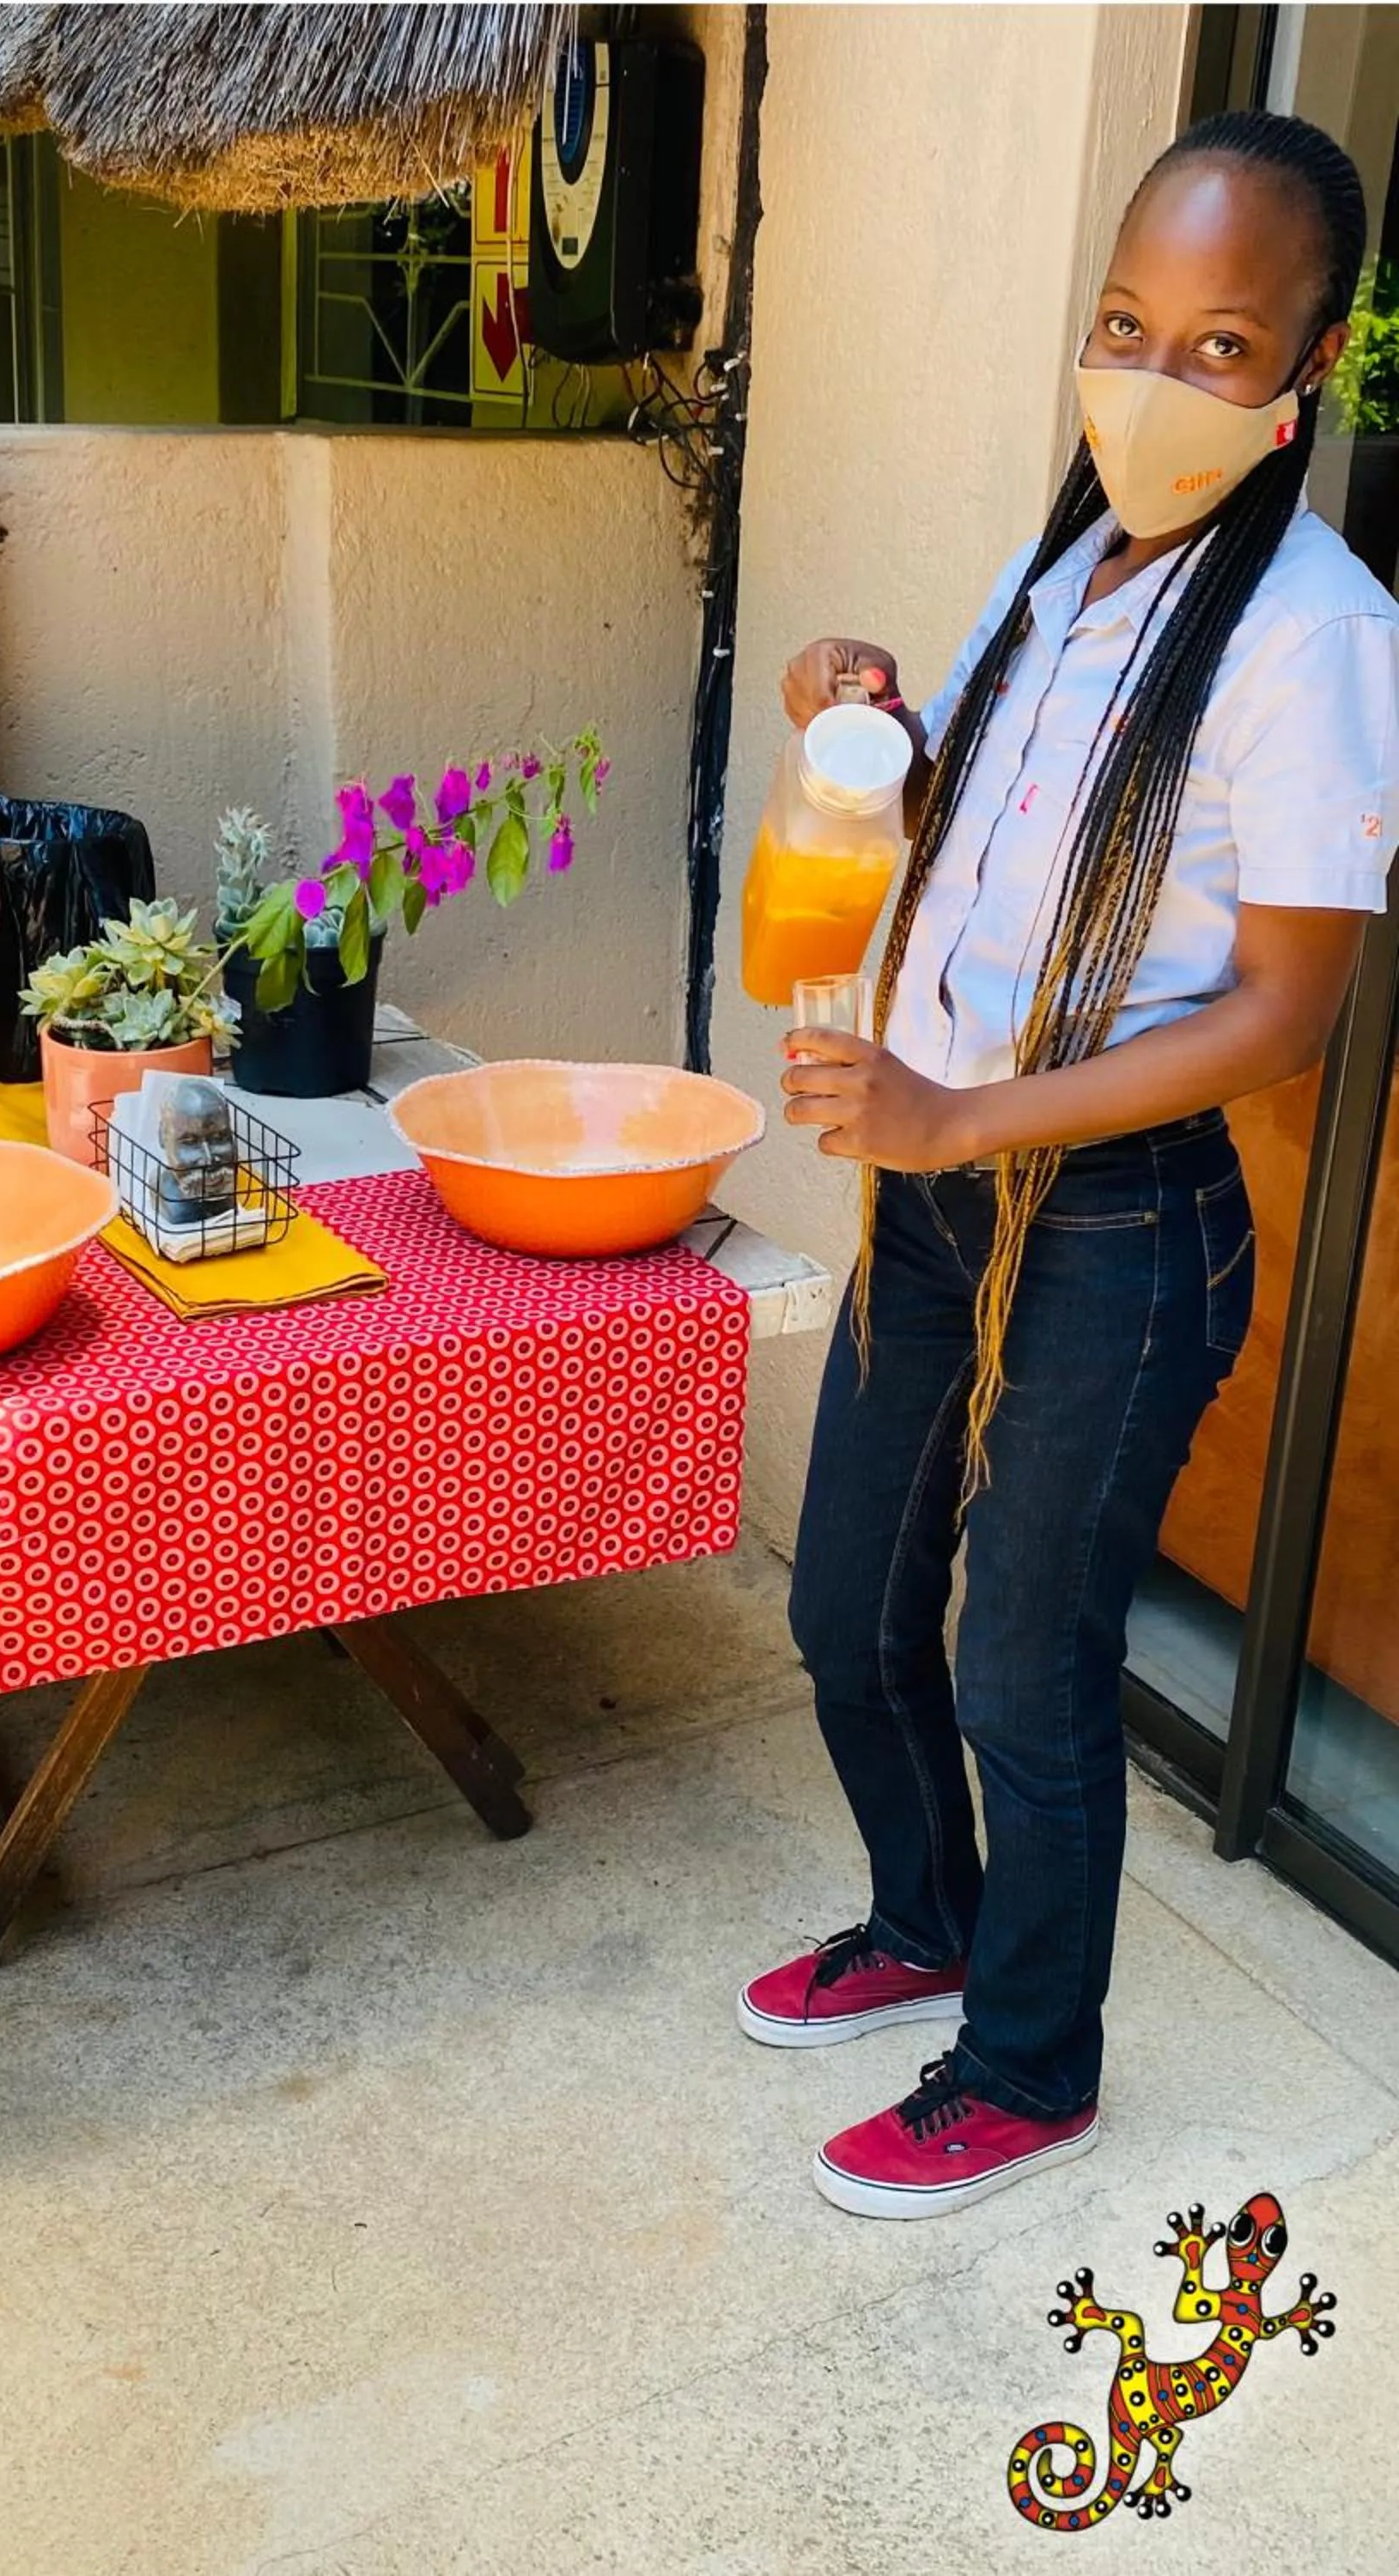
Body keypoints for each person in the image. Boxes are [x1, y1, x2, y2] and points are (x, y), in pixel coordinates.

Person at [736, 110, 1399, 2218]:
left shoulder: (1314, 631)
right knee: (847, 1609)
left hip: (1110, 1228)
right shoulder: (1068, 560)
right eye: (1125, 325)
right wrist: (861, 716)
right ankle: (924, 1919)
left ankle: (1030, 2065)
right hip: (936, 1200)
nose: (1150, 379)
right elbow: (985, 821)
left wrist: (958, 1116)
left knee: (1023, 1666)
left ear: (1306, 368)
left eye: (1219, 345)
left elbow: (1281, 1013)